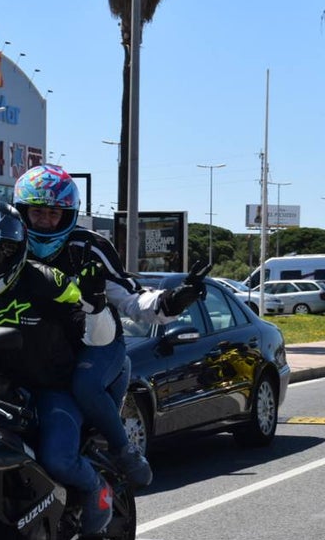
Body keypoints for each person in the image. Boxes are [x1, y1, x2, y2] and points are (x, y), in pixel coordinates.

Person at [12, 164, 205, 489]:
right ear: (22, 213)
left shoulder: (90, 247)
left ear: (69, 214)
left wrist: (172, 300)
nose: (45, 221)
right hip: (33, 349)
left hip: (95, 342)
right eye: (37, 213)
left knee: (85, 384)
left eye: (53, 213)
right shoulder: (11, 246)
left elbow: (131, 299)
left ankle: (124, 451)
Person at [0, 199, 117, 535]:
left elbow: (98, 338)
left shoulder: (49, 281)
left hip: (49, 388)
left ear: (16, 249)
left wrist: (96, 305)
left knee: (57, 459)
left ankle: (96, 489)